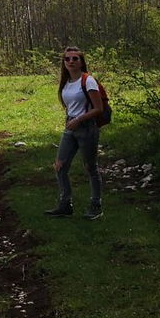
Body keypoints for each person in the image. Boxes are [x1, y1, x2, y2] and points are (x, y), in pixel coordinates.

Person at [47, 46, 104, 220]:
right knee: (60, 166)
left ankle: (96, 205)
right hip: (70, 127)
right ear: (63, 63)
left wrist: (79, 120)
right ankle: (65, 204)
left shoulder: (88, 81)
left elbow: (98, 109)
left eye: (75, 59)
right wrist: (71, 120)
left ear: (81, 62)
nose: (71, 62)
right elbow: (70, 105)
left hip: (86, 128)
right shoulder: (66, 82)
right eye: (67, 59)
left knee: (90, 167)